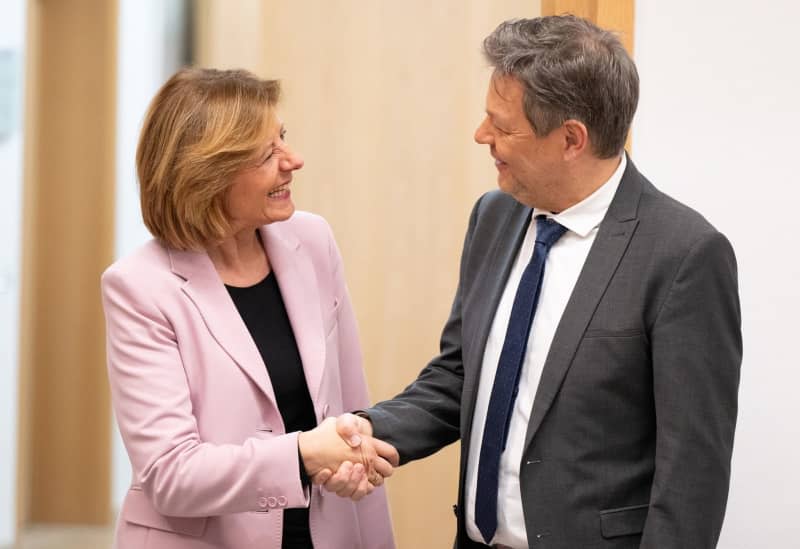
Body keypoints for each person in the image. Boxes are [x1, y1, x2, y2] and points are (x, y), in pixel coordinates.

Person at [324, 15, 742, 549]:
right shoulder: (495, 217)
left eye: (502, 125)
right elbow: (460, 376)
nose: (482, 136)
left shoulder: (683, 254)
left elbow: (693, 474)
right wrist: (368, 433)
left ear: (571, 139)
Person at [101, 68, 396, 549]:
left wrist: (352, 462)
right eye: (266, 154)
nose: (293, 161)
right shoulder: (139, 287)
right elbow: (171, 474)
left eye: (283, 138)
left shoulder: (312, 240)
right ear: (207, 176)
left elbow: (350, 412)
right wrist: (301, 454)